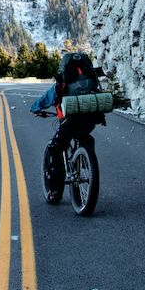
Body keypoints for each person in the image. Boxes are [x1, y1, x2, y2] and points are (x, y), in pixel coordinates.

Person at [31, 51, 106, 203]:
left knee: (54, 148)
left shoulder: (62, 82)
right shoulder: (91, 79)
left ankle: (55, 191)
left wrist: (35, 108)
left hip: (70, 122)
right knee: (85, 138)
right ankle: (86, 165)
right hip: (91, 120)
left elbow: (45, 100)